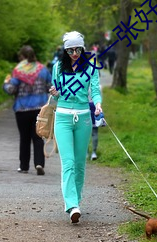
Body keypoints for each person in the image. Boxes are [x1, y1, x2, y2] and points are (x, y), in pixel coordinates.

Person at [49, 31, 102, 223]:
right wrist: (54, 92)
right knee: (68, 163)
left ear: (83, 48)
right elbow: (55, 95)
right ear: (65, 50)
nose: (74, 53)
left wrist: (97, 104)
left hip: (84, 118)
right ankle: (71, 204)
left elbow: (95, 90)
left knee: (80, 164)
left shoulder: (90, 68)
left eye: (77, 49)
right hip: (62, 117)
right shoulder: (57, 67)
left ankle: (76, 201)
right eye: (70, 50)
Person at [3, 45, 52, 175]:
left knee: (24, 138)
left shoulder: (18, 71)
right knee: (38, 137)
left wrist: (6, 83)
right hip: (39, 109)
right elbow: (51, 86)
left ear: (22, 57)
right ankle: (39, 163)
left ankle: (24, 166)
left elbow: (11, 90)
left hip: (22, 109)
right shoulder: (43, 70)